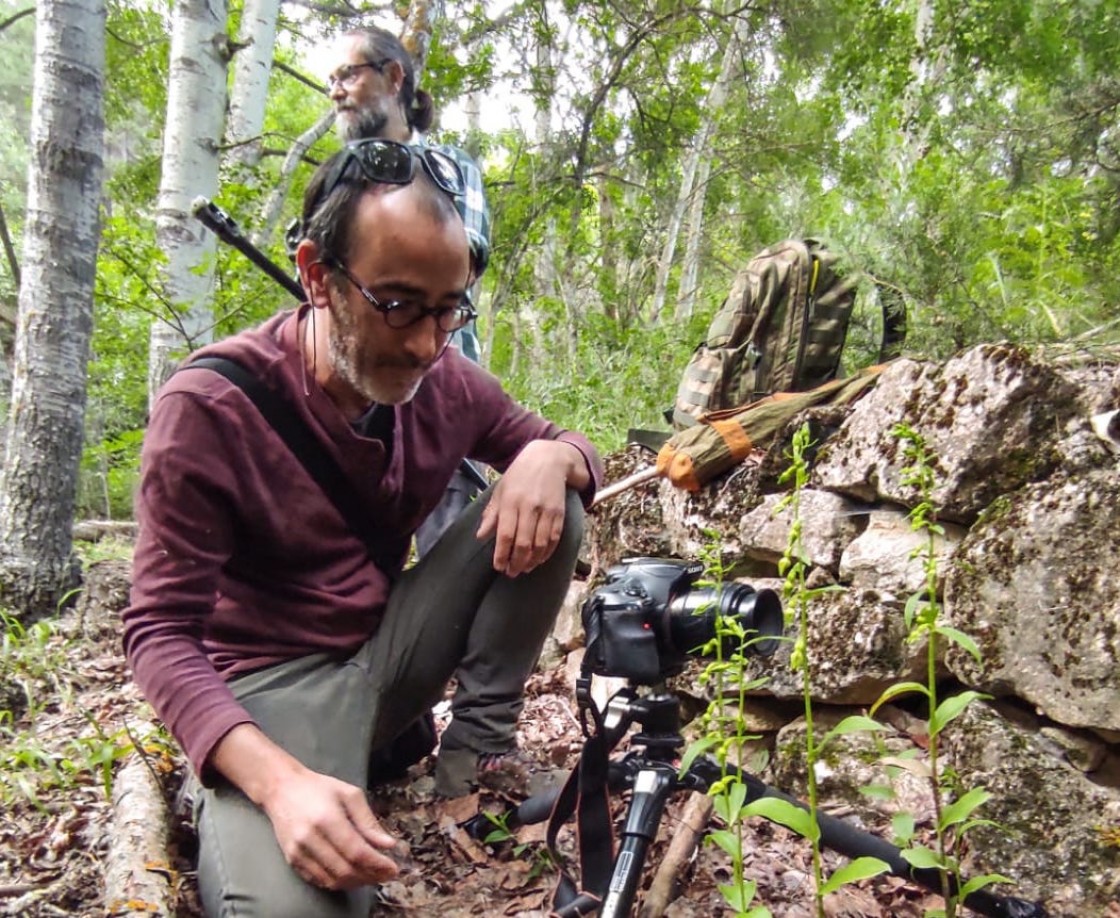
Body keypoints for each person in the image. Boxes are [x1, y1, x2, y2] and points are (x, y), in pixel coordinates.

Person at [122, 142, 603, 918]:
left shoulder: (446, 379)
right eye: (398, 305)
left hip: (385, 657)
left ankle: (474, 752)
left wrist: (552, 453)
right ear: (317, 275)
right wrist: (279, 785)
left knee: (553, 494)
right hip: (265, 691)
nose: (426, 343)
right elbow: (157, 632)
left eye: (450, 309)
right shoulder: (210, 408)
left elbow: (576, 450)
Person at [325, 25, 492, 557]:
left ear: (394, 77)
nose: (336, 90)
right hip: (348, 414)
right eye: (331, 79)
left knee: (454, 557)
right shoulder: (337, 180)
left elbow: (468, 259)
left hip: (435, 392)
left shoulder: (449, 169)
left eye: (348, 74)